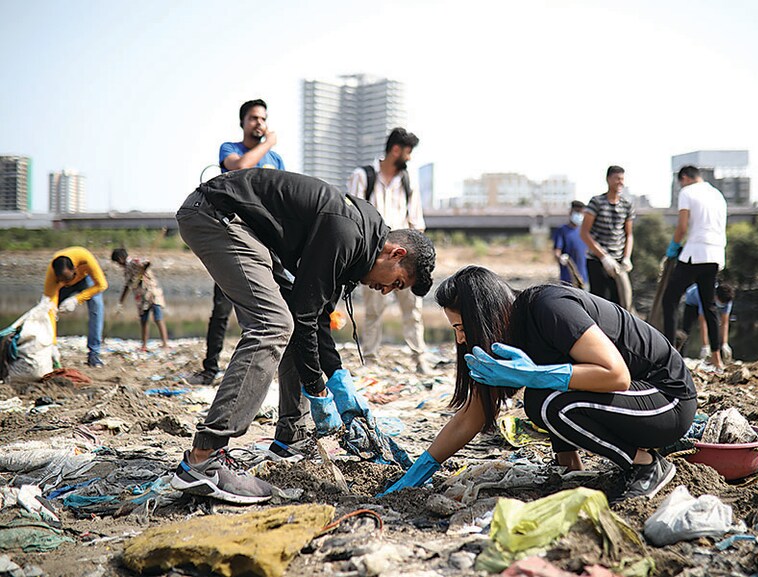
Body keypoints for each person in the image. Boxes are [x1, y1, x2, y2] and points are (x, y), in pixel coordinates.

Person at [171, 168, 436, 504]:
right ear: (396, 253)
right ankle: (203, 459)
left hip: (242, 227)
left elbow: (315, 316)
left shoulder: (362, 240)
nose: (386, 291)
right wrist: (318, 391)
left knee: (290, 320)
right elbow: (303, 316)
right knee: (274, 324)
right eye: (396, 282)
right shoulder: (348, 233)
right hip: (218, 215)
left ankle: (290, 438)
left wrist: (338, 379)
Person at [382, 266, 696, 504]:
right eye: (455, 330)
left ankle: (645, 465)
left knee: (545, 401)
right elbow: (470, 416)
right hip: (636, 403)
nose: (460, 338)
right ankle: (569, 466)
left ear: (483, 317)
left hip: (667, 400)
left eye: (462, 327)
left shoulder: (549, 307)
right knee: (541, 397)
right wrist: (420, 471)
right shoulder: (505, 337)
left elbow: (616, 375)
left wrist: (536, 375)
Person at [189, 99, 285, 386]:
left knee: (272, 305)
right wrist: (268, 143)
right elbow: (242, 166)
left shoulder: (276, 160)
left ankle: (268, 366)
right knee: (222, 308)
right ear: (243, 122)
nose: (260, 123)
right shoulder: (230, 149)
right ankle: (210, 368)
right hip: (233, 237)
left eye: (264, 119)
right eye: (254, 118)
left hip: (266, 240)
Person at [348, 128, 431, 375]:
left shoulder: (408, 180)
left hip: (406, 258)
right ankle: (371, 360)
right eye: (408, 152)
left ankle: (420, 358)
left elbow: (417, 222)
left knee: (413, 311)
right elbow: (352, 216)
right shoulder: (362, 177)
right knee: (373, 311)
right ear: (396, 150)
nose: (410, 158)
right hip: (375, 258)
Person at [662, 165, 728, 369]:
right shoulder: (717, 194)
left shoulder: (687, 192)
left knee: (669, 299)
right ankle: (717, 359)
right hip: (715, 254)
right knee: (709, 306)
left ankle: (670, 354)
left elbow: (682, 227)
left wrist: (673, 248)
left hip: (695, 254)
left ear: (684, 178)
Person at [43, 247, 108, 367]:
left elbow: (102, 285)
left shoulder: (85, 258)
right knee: (45, 310)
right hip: (60, 288)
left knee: (96, 307)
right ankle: (47, 349)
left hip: (85, 280)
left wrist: (76, 299)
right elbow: (50, 308)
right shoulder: (52, 275)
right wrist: (53, 343)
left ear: (74, 269)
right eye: (61, 279)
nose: (66, 282)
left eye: (67, 278)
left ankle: (94, 354)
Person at [580, 166, 635, 307]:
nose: (620, 182)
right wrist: (604, 257)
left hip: (618, 262)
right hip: (597, 260)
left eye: (622, 179)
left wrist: (627, 257)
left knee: (620, 302)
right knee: (599, 302)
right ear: (608, 179)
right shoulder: (596, 202)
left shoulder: (627, 205)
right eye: (617, 178)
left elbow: (628, 234)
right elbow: (584, 233)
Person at [111, 248, 169, 351]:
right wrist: (120, 302)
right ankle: (144, 345)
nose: (119, 265)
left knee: (158, 317)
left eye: (117, 263)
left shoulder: (134, 262)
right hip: (141, 296)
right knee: (144, 320)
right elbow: (128, 285)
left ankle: (165, 344)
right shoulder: (127, 270)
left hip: (151, 292)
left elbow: (146, 263)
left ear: (120, 259)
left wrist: (145, 267)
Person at [681, 283, 734, 362]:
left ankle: (718, 356)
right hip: (692, 301)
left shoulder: (727, 300)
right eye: (720, 302)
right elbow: (703, 321)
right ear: (715, 296)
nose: (722, 304)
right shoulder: (707, 295)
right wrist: (705, 345)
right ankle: (680, 354)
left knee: (715, 325)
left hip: (709, 303)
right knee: (686, 330)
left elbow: (724, 322)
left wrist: (725, 343)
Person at [552, 200, 589, 288]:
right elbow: (557, 251)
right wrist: (561, 258)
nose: (579, 215)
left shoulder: (584, 232)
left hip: (584, 278)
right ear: (570, 212)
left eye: (581, 212)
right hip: (567, 280)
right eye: (577, 212)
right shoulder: (562, 231)